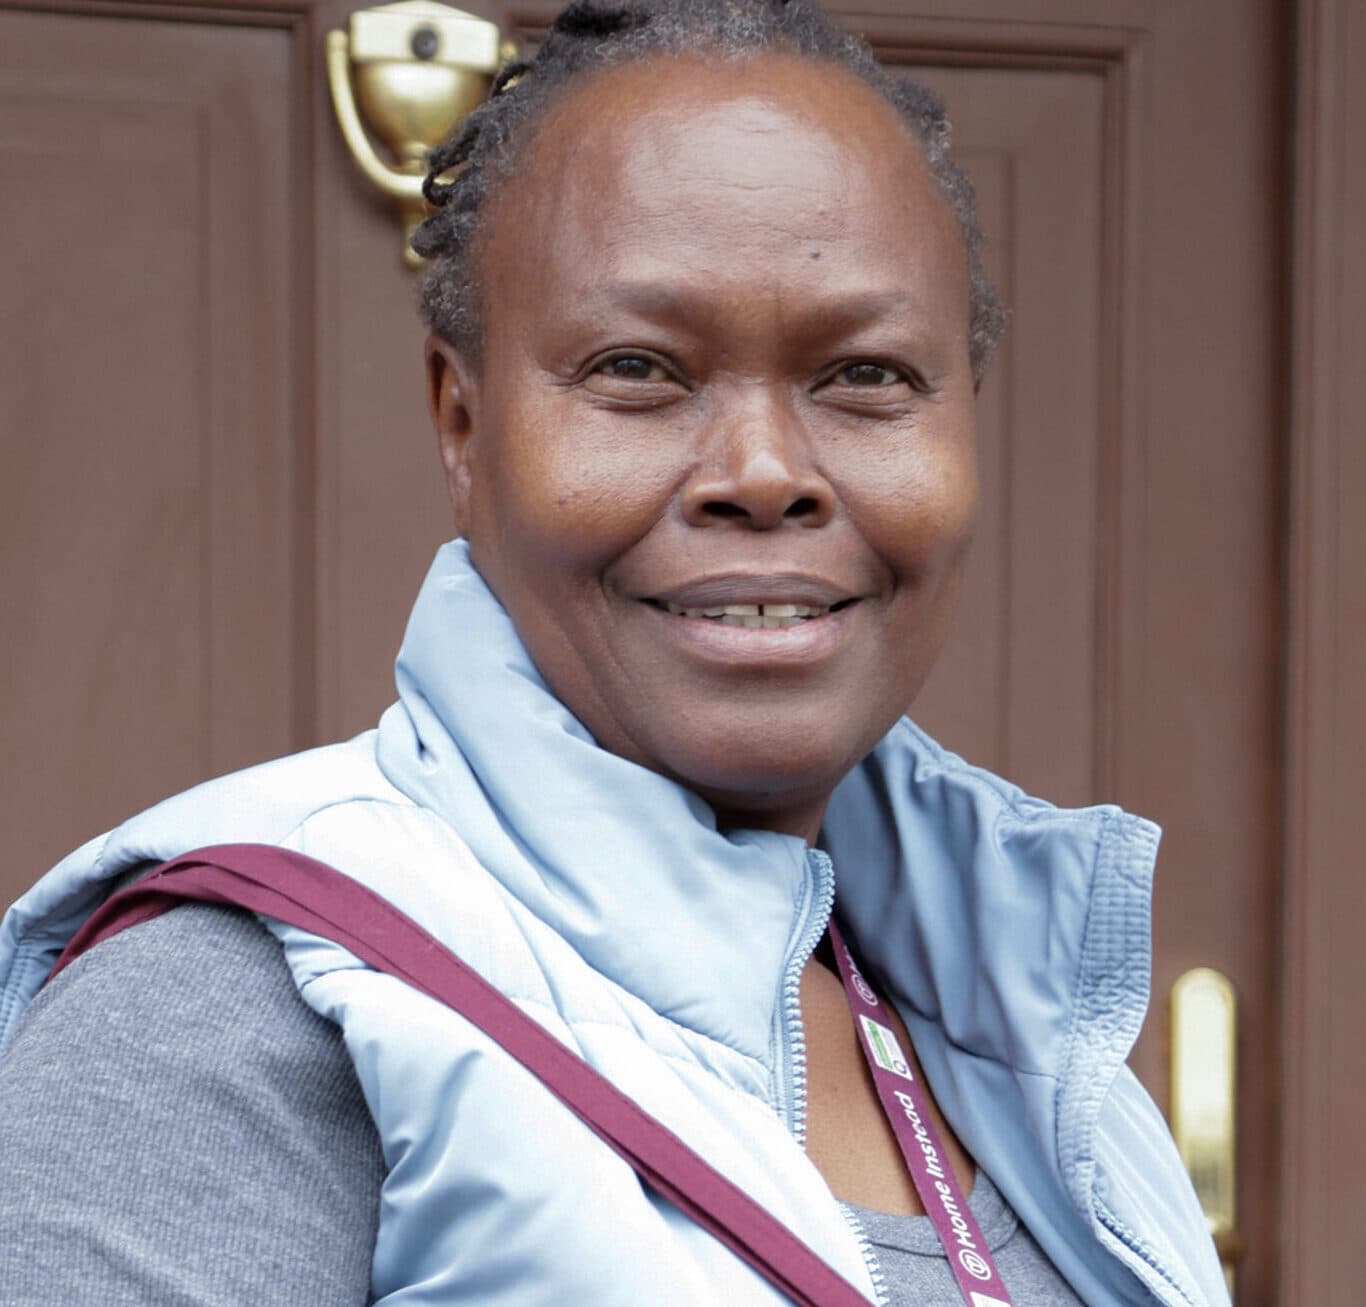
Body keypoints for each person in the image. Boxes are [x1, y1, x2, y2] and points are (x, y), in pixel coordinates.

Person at [0, 2, 1227, 1304]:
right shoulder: (236, 1010)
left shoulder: (1013, 1011)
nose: (763, 474)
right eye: (638, 368)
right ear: (463, 425)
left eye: (864, 376)